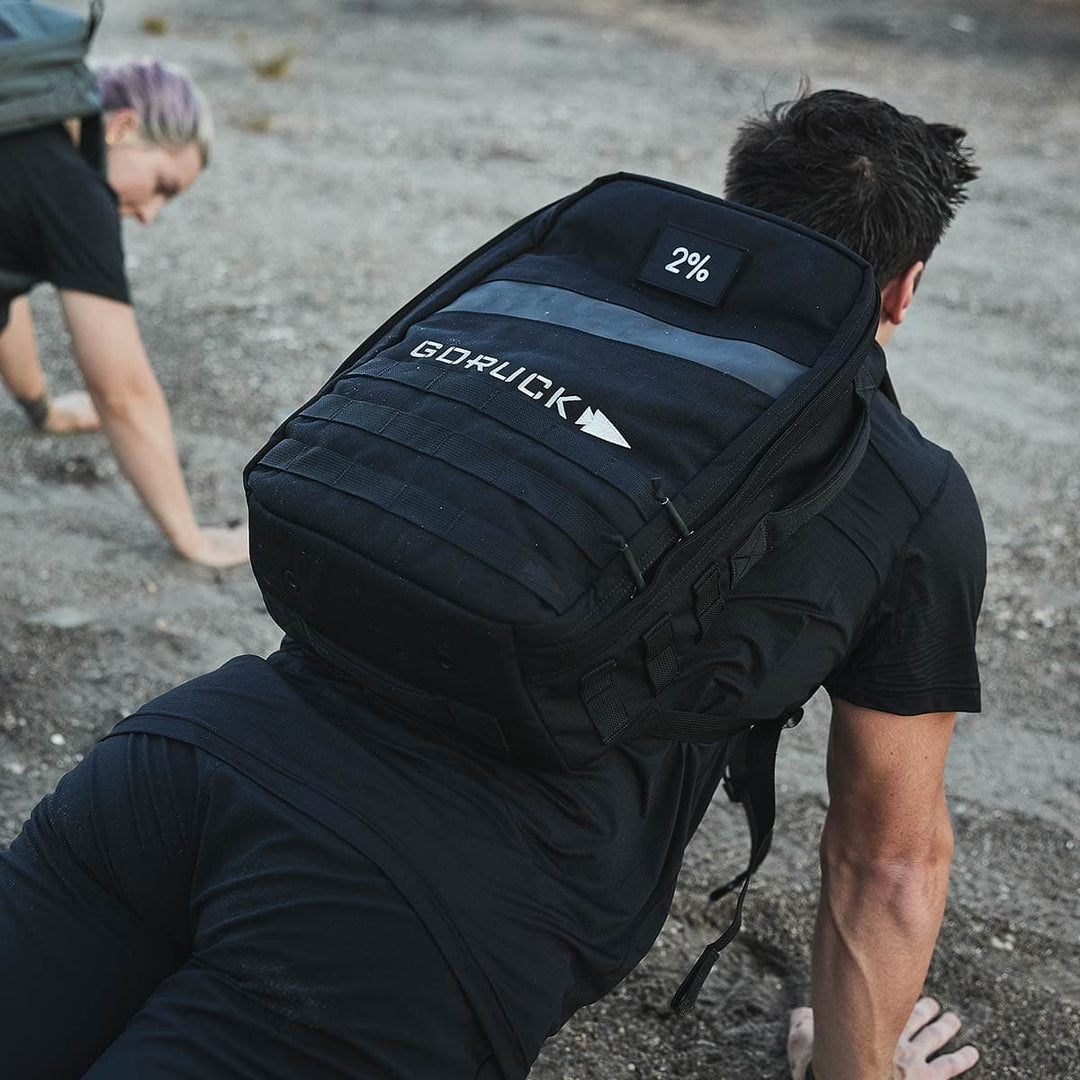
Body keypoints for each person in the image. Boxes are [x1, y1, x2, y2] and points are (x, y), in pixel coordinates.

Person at [0, 89, 985, 1080]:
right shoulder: (911, 492)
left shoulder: (552, 316)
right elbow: (887, 863)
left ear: (729, 208)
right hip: (407, 925)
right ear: (903, 290)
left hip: (177, 763)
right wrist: (852, 1065)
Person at [0, 58, 248, 567]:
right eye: (162, 184)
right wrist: (192, 539)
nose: (151, 215)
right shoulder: (73, 187)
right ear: (123, 126)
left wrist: (41, 408)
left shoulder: (25, 121)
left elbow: (7, 281)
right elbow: (122, 392)